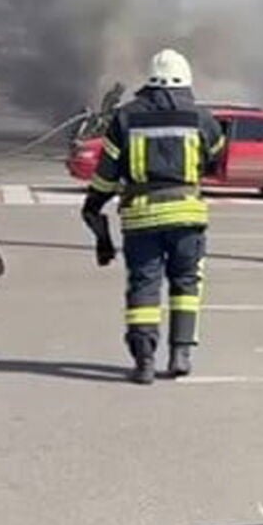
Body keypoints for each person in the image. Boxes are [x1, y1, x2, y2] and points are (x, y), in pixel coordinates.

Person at [81, 49, 226, 385]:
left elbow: (106, 175)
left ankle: (144, 360)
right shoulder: (200, 117)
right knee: (186, 283)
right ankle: (180, 354)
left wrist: (93, 205)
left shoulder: (125, 117)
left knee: (144, 286)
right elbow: (217, 157)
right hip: (186, 214)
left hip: (142, 217)